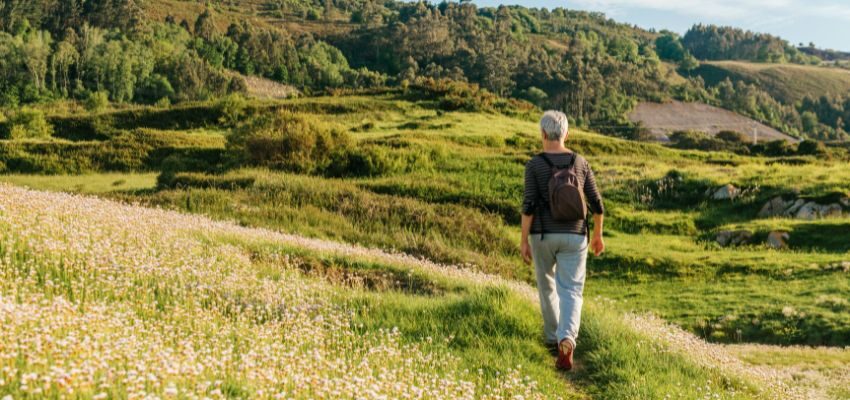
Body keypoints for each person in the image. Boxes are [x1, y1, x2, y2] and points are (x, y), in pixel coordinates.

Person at [519, 110, 605, 371]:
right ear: (567, 133)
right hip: (575, 235)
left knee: (546, 286)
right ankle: (567, 338)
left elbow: (529, 206)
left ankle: (551, 338)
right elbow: (597, 204)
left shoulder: (534, 165)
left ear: (543, 134)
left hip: (543, 234)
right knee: (571, 290)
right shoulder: (580, 162)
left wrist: (524, 240)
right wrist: (598, 236)